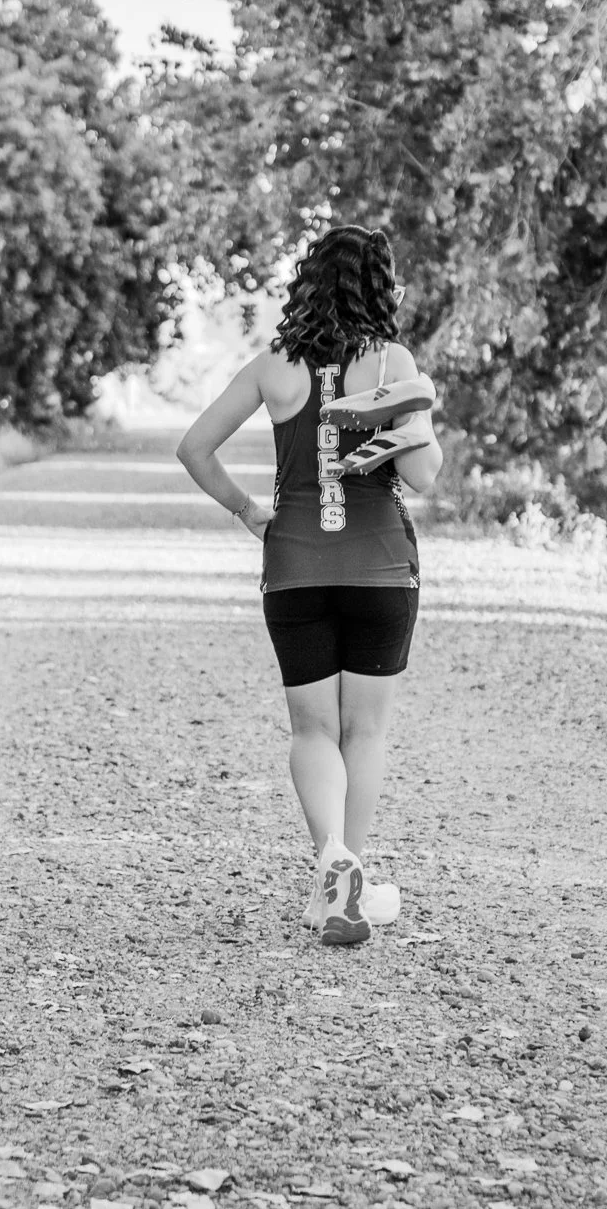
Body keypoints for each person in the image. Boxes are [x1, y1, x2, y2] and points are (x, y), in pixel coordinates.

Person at [176, 225, 443, 946]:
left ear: (309, 281)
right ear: (380, 285)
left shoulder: (274, 365)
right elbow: (421, 476)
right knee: (365, 728)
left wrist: (250, 513)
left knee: (313, 729)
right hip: (380, 567)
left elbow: (194, 447)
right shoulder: (392, 362)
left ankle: (332, 872)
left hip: (293, 567)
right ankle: (349, 877)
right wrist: (416, 411)